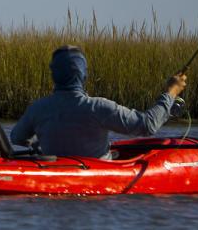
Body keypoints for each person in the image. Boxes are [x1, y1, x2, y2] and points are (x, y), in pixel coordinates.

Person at [10, 45, 187, 159]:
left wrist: (39, 143)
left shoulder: (38, 108)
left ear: (54, 75)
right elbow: (148, 125)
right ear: (83, 75)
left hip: (54, 169)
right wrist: (171, 92)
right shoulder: (99, 107)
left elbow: (16, 137)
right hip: (97, 174)